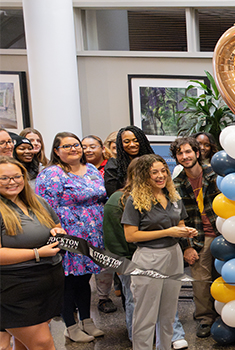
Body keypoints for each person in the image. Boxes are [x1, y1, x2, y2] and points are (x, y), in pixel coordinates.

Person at [35, 132, 107, 343]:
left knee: (84, 279)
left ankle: (87, 321)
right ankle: (70, 325)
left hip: (92, 233)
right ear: (56, 151)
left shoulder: (92, 169)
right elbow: (44, 208)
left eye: (76, 145)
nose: (73, 149)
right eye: (66, 146)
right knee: (68, 280)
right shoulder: (51, 174)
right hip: (68, 233)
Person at [122, 154, 197, 350]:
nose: (160, 176)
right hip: (148, 258)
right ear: (143, 176)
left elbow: (179, 223)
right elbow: (131, 236)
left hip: (173, 255)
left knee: (168, 313)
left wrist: (186, 231)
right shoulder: (134, 201)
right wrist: (168, 232)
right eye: (154, 172)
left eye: (163, 171)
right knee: (145, 315)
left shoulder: (173, 196)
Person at [0, 156, 65, 350]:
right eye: (4, 178)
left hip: (46, 282)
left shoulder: (37, 202)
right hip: (15, 288)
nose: (12, 182)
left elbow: (57, 226)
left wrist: (58, 232)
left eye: (17, 176)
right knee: (43, 344)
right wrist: (37, 253)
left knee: (23, 344)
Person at [170, 137, 222, 338]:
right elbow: (177, 220)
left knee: (228, 276)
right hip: (198, 237)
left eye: (188, 152)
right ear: (176, 157)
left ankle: (227, 314)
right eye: (180, 153)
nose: (185, 156)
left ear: (197, 153)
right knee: (200, 281)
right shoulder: (176, 185)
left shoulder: (216, 175)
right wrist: (187, 247)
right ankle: (205, 318)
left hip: (224, 232)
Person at [81, 134, 118, 314]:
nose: (88, 150)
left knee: (107, 258)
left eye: (92, 146)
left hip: (109, 219)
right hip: (85, 222)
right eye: (84, 146)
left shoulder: (111, 166)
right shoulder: (78, 169)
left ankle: (104, 297)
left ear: (102, 148)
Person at [104, 126, 155, 197]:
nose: (132, 144)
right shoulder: (113, 165)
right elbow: (113, 194)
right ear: (120, 144)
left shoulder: (153, 161)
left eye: (136, 140)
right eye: (127, 142)